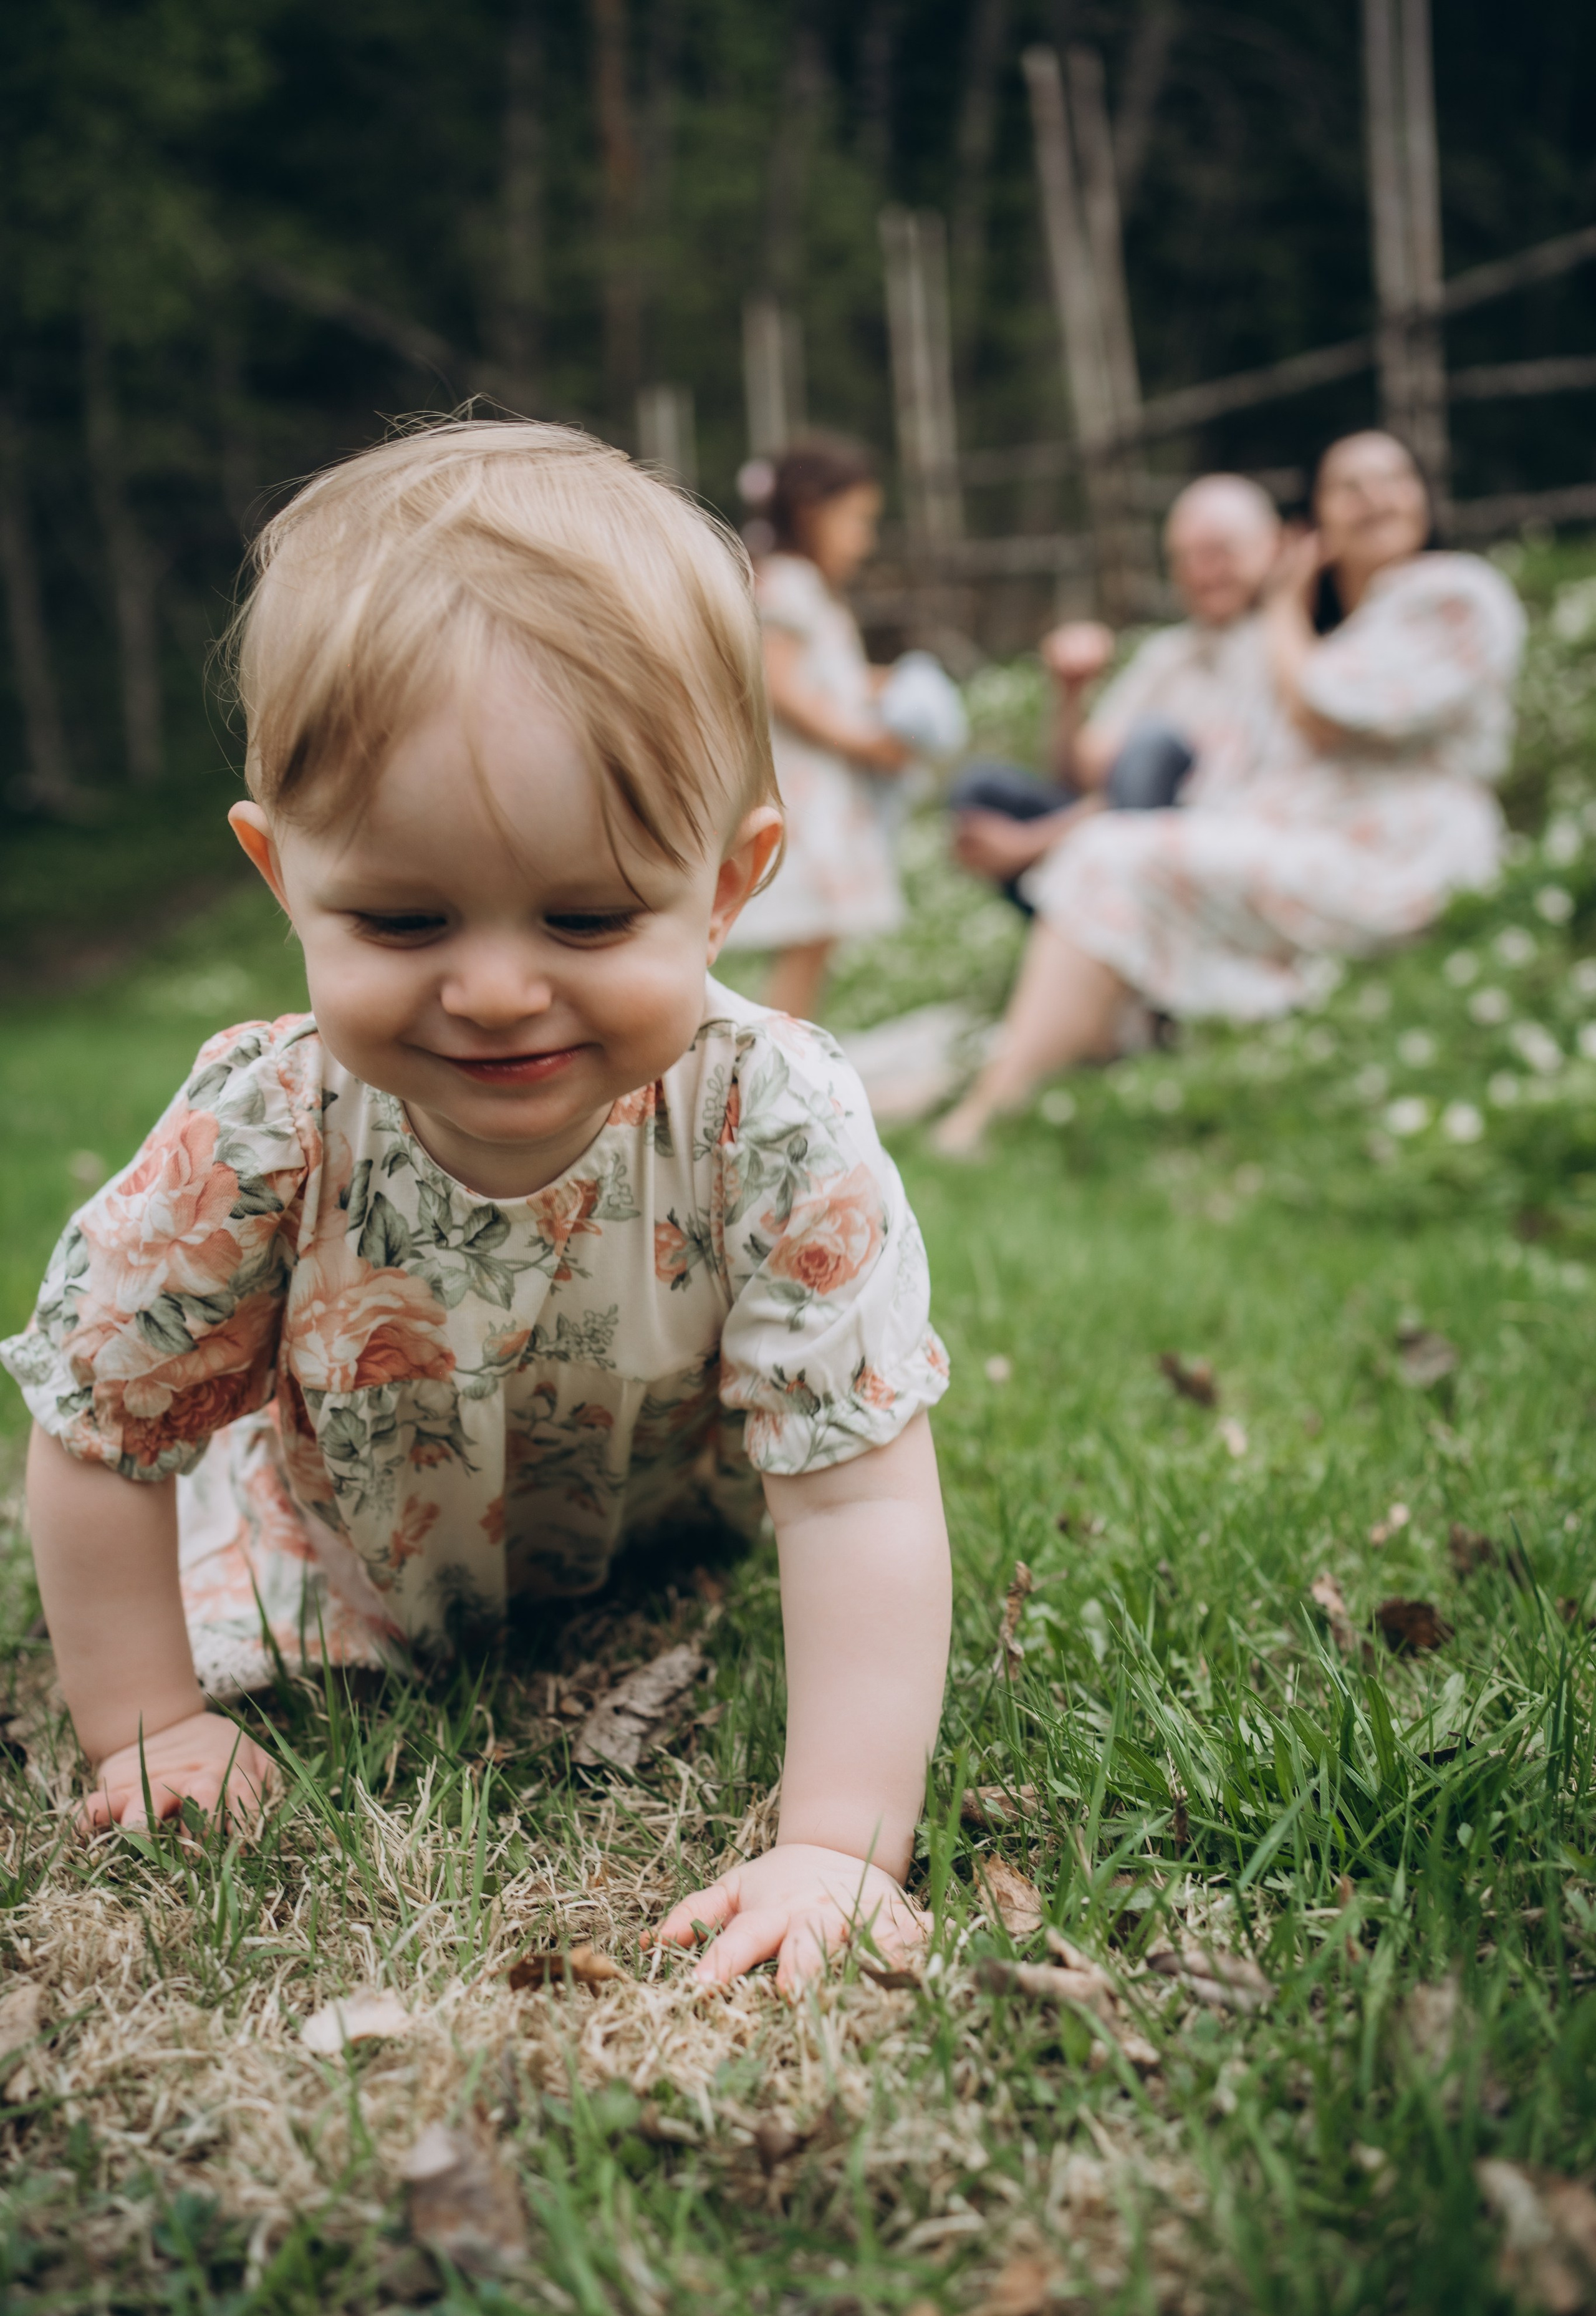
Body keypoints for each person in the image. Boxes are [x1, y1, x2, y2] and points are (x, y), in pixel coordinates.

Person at [2, 419, 953, 1991]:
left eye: (587, 915)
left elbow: (854, 1490)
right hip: (341, 1559)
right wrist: (151, 1721)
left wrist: (837, 1842)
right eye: (400, 914)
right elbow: (100, 1420)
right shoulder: (265, 1122)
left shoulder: (771, 1114)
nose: (499, 989)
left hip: (658, 1537)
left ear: (726, 886)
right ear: (279, 877)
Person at [933, 429, 1526, 1155]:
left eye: (1392, 477)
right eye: (1350, 486)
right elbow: (1100, 772)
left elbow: (1322, 707)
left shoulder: (1451, 592)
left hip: (1395, 855)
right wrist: (1070, 694)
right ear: (1318, 525)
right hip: (1302, 841)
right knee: (1087, 835)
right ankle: (1036, 1065)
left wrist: (1282, 601)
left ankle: (991, 1108)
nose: (1374, 498)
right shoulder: (1311, 635)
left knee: (1110, 849)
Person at [950, 474, 1294, 909]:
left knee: (1150, 745)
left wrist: (1029, 846)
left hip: (1214, 847)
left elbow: (1205, 799)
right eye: (1184, 558)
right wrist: (1070, 693)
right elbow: (1085, 777)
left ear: (1275, 546)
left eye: (1218, 552)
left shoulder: (1287, 652)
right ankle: (1090, 941)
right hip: (1122, 826)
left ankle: (1103, 944)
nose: (1200, 573)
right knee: (981, 792)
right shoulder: (1167, 653)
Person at [719, 437, 913, 1020]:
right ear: (811, 511)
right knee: (806, 932)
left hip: (822, 791)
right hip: (802, 794)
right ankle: (769, 1057)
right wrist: (864, 741)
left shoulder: (806, 588)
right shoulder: (787, 587)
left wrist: (885, 687)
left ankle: (782, 1048)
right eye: (857, 521)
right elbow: (783, 685)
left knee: (817, 936)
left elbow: (826, 678)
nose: (865, 539)